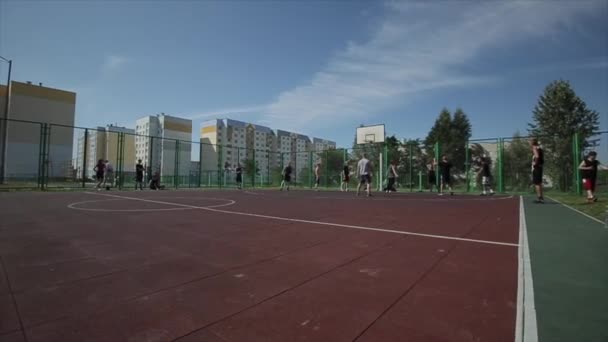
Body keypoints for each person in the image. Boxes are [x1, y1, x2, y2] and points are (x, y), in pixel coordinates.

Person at [530, 138, 544, 203]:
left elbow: (537, 156)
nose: (529, 142)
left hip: (537, 167)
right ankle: (541, 197)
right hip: (540, 167)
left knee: (537, 183)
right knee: (539, 183)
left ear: (532, 142)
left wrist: (535, 163)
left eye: (530, 141)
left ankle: (539, 198)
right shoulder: (539, 148)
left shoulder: (534, 148)